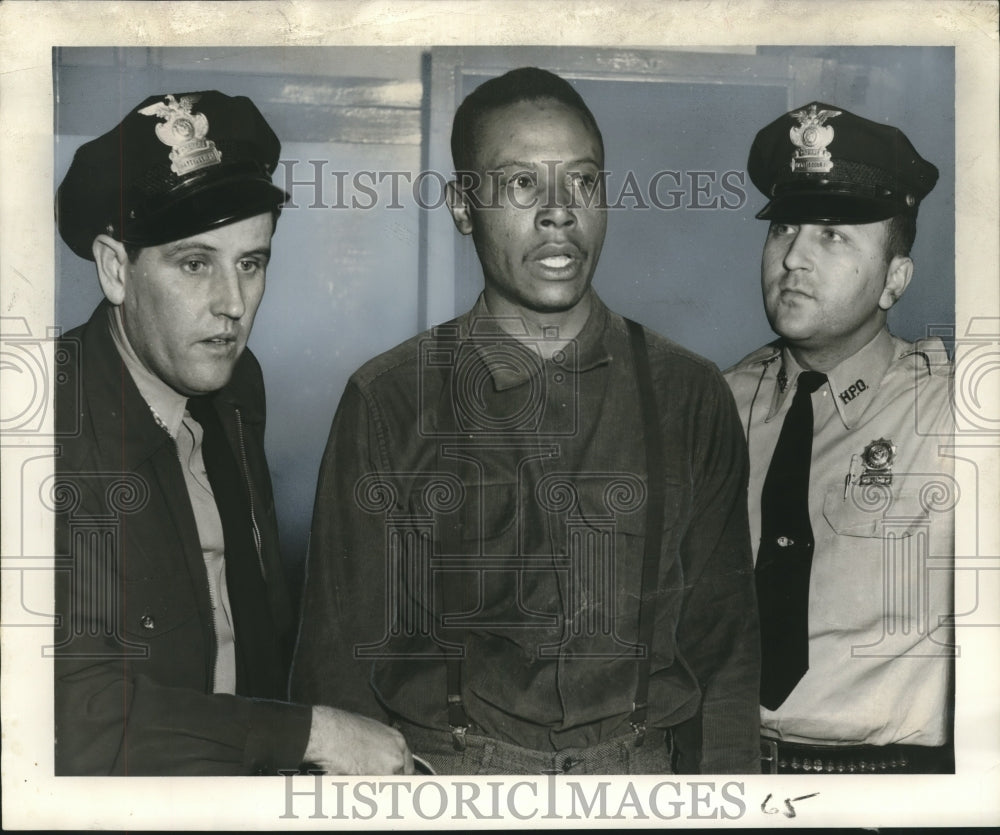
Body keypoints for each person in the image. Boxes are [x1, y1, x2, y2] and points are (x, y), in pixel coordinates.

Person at [292, 67, 760, 775]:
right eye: (519, 184)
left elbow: (725, 658)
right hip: (443, 784)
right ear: (462, 206)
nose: (558, 211)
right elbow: (336, 672)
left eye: (582, 182)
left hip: (638, 787)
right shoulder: (389, 401)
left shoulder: (688, 395)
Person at [53, 90, 411, 776]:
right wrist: (310, 734)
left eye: (252, 262)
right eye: (195, 263)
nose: (234, 304)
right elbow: (78, 717)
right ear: (115, 268)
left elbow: (253, 615)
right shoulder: (41, 425)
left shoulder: (235, 386)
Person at [724, 102, 955, 774]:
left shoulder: (952, 413)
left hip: (891, 784)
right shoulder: (720, 404)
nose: (793, 256)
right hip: (734, 775)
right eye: (785, 229)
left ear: (894, 280)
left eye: (833, 236)